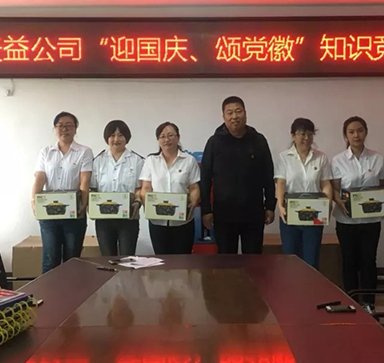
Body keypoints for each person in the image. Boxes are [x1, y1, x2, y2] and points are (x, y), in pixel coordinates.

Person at [201, 96, 276, 255]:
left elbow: (268, 175)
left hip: (253, 213)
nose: (234, 116)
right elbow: (205, 178)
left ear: (245, 113)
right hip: (224, 215)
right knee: (226, 263)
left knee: (254, 261)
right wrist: (206, 210)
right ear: (223, 116)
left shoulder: (258, 140)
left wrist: (270, 206)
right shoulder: (214, 142)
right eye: (229, 113)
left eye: (238, 111)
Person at [331, 116, 384, 311]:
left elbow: (383, 186)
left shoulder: (378, 159)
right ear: (345, 136)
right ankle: (351, 302)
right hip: (346, 219)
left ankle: (369, 303)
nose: (356, 135)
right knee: (349, 261)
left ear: (366, 132)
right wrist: (340, 202)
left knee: (369, 261)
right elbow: (335, 189)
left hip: (371, 220)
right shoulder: (338, 160)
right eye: (352, 132)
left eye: (360, 130)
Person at [32, 112, 93, 273]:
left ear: (75, 129)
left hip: (74, 211)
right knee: (50, 258)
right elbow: (40, 177)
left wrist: (83, 204)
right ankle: (49, 289)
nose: (64, 129)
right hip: (49, 212)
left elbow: (85, 180)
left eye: (69, 125)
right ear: (55, 129)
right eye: (60, 126)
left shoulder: (84, 151)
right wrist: (33, 201)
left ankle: (73, 289)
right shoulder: (46, 152)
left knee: (72, 259)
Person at [275, 118, 333, 269]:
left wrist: (328, 204)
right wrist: (280, 206)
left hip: (314, 214)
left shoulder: (321, 157)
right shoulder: (284, 157)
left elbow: (326, 184)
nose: (306, 138)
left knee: (311, 261)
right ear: (293, 136)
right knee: (290, 260)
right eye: (301, 134)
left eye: (310, 134)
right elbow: (280, 183)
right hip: (290, 215)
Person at [139, 122, 200, 254]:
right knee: (162, 260)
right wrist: (146, 203)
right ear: (158, 140)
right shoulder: (151, 161)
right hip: (157, 221)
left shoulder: (189, 160)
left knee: (183, 260)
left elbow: (194, 187)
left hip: (183, 222)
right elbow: (146, 187)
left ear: (178, 137)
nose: (167, 140)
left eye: (171, 135)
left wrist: (193, 202)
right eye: (162, 136)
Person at [91, 120, 144, 256]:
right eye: (112, 135)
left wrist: (138, 202)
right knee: (107, 258)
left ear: (127, 138)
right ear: (107, 138)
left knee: (127, 258)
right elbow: (93, 188)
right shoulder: (98, 161)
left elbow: (140, 188)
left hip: (129, 218)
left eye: (120, 135)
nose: (116, 139)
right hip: (104, 218)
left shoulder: (137, 160)